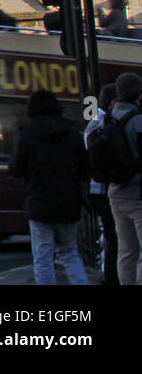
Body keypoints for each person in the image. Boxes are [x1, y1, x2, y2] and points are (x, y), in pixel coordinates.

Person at [8, 89, 90, 284]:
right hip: (68, 202)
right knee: (70, 253)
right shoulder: (72, 133)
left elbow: (16, 169)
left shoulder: (26, 135)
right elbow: (86, 169)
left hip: (39, 201)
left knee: (43, 258)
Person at [109, 72, 142, 284]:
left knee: (126, 251)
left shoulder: (105, 118)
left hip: (114, 192)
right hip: (138, 193)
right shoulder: (138, 120)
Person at [86, 83, 120, 284]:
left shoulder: (93, 122)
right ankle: (112, 276)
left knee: (110, 236)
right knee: (114, 237)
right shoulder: (107, 122)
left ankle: (109, 275)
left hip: (96, 186)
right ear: (113, 102)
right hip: (107, 187)